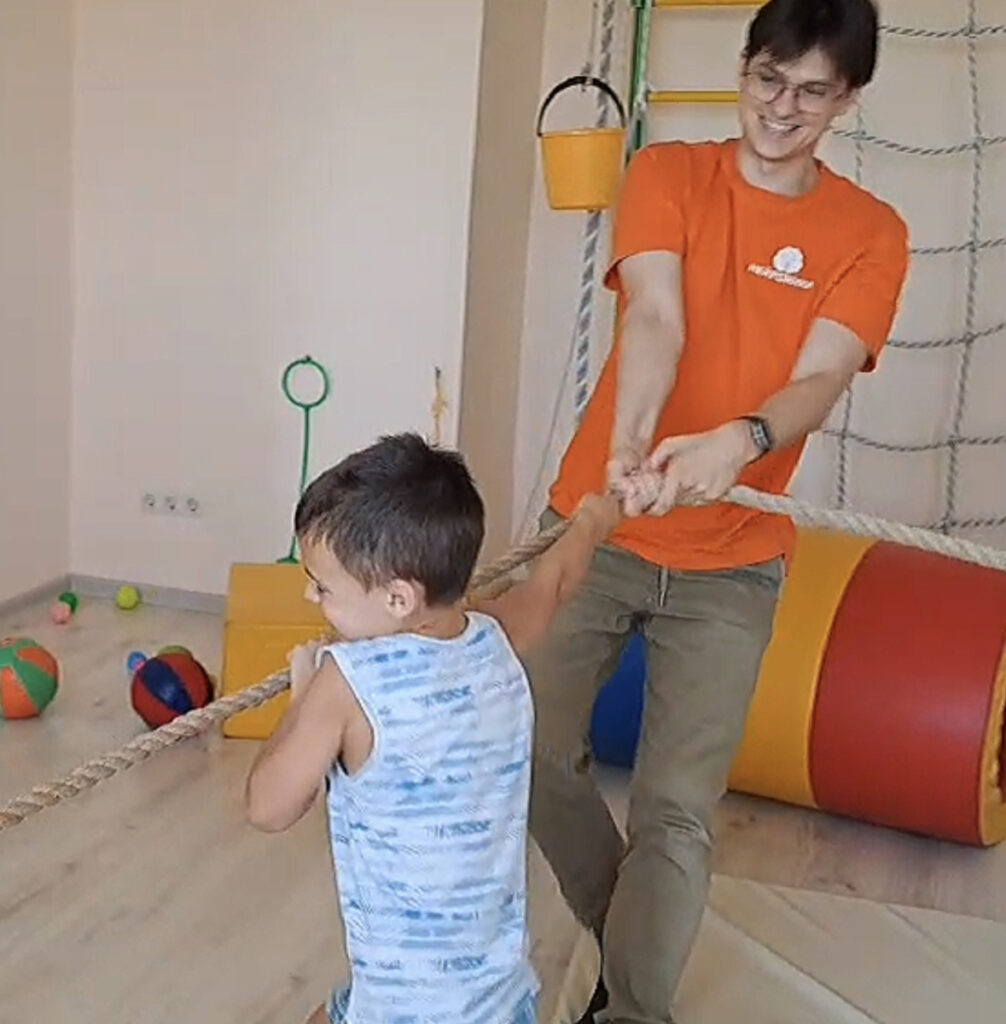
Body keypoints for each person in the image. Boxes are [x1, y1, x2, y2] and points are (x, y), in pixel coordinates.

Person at [528, 1, 910, 1021]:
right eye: (767, 79)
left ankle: (633, 1006)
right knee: (525, 744)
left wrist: (737, 442)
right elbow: (656, 314)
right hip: (602, 521)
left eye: (811, 91)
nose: (781, 108)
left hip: (734, 560)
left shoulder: (871, 233)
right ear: (742, 68)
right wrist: (630, 444)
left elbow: (820, 377)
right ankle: (630, 938)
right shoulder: (666, 174)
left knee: (675, 810)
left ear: (846, 100)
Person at [243, 432, 623, 1024]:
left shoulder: (346, 683)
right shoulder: (497, 636)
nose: (309, 594)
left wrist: (303, 692)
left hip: (403, 1007)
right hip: (497, 995)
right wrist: (594, 522)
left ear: (398, 598)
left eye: (323, 586)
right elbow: (553, 584)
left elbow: (267, 807)